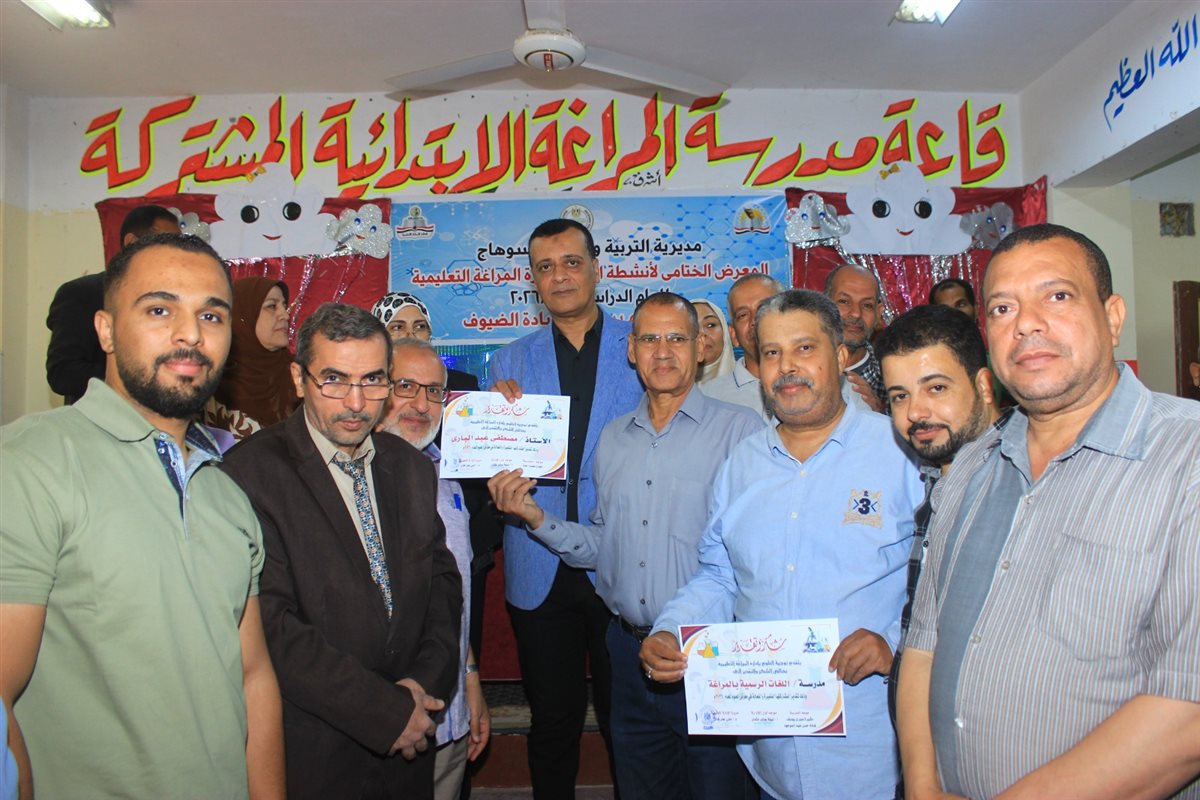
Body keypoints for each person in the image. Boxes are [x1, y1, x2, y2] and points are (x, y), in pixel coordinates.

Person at [898, 223, 1200, 800]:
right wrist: (922, 785)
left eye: (1057, 296)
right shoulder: (973, 463)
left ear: (1112, 316)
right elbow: (924, 643)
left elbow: (1187, 712)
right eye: (1003, 308)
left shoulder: (1187, 458)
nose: (1027, 323)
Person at [1, 233, 284, 799]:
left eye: (211, 315)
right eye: (159, 309)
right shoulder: (31, 463)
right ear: (105, 330)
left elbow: (253, 677)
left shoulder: (227, 493)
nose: (191, 334)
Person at [641, 289, 924, 800]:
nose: (787, 367)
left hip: (874, 744)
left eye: (804, 349)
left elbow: (941, 580)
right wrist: (671, 630)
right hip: (768, 755)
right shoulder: (741, 464)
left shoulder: (900, 453)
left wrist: (892, 642)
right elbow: (721, 576)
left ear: (840, 355)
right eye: (772, 352)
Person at [489, 292, 763, 800]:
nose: (663, 351)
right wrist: (535, 517)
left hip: (706, 654)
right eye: (650, 339)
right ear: (631, 351)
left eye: (677, 338)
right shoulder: (614, 439)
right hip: (627, 654)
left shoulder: (742, 431)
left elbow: (752, 557)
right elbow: (603, 545)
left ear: (700, 347)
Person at [221, 303, 462, 800]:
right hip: (315, 750)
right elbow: (272, 625)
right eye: (334, 380)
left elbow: (442, 589)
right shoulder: (250, 474)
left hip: (413, 740)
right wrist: (385, 712)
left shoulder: (411, 467)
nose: (356, 402)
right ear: (298, 378)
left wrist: (420, 687)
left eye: (373, 380)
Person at [488, 217, 644, 798]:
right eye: (545, 267)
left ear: (596, 269)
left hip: (621, 559)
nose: (560, 276)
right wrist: (491, 419)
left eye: (571, 262)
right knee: (552, 721)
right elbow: (493, 460)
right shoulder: (508, 363)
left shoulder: (640, 347)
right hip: (538, 564)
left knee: (628, 721)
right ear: (533, 280)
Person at [873, 303, 1000, 729]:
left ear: (983, 385)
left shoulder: (1022, 485)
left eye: (937, 388)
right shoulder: (932, 481)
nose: (916, 412)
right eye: (900, 396)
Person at [376, 337, 490, 800]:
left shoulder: (448, 476)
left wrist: (471, 677)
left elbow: (451, 594)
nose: (421, 404)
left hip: (450, 713)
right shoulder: (352, 476)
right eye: (405, 386)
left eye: (434, 391)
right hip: (389, 723)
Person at [371, 290, 502, 672]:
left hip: (460, 533)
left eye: (420, 327)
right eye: (397, 327)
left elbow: (480, 468)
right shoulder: (359, 435)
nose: (422, 402)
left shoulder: (459, 389)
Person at [45, 204, 182, 404]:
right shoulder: (82, 293)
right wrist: (142, 379)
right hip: (99, 420)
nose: (174, 255)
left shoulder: (176, 301)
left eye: (178, 246)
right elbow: (63, 374)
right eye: (165, 244)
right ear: (132, 242)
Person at [206, 277, 299, 440]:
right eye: (272, 306)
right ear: (243, 315)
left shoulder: (299, 375)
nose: (285, 315)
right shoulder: (209, 385)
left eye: (284, 306)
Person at [701, 273, 784, 420]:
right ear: (733, 335)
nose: (754, 321)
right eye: (743, 315)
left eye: (763, 309)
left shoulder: (816, 382)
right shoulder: (709, 398)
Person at [824, 263, 887, 412]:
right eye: (844, 302)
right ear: (823, 305)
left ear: (878, 313)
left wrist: (881, 417)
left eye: (867, 305)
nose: (856, 313)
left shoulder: (891, 379)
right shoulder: (799, 367)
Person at [692, 298, 735, 387]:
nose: (701, 333)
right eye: (692, 326)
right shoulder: (666, 388)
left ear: (725, 331)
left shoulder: (751, 386)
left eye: (710, 325)